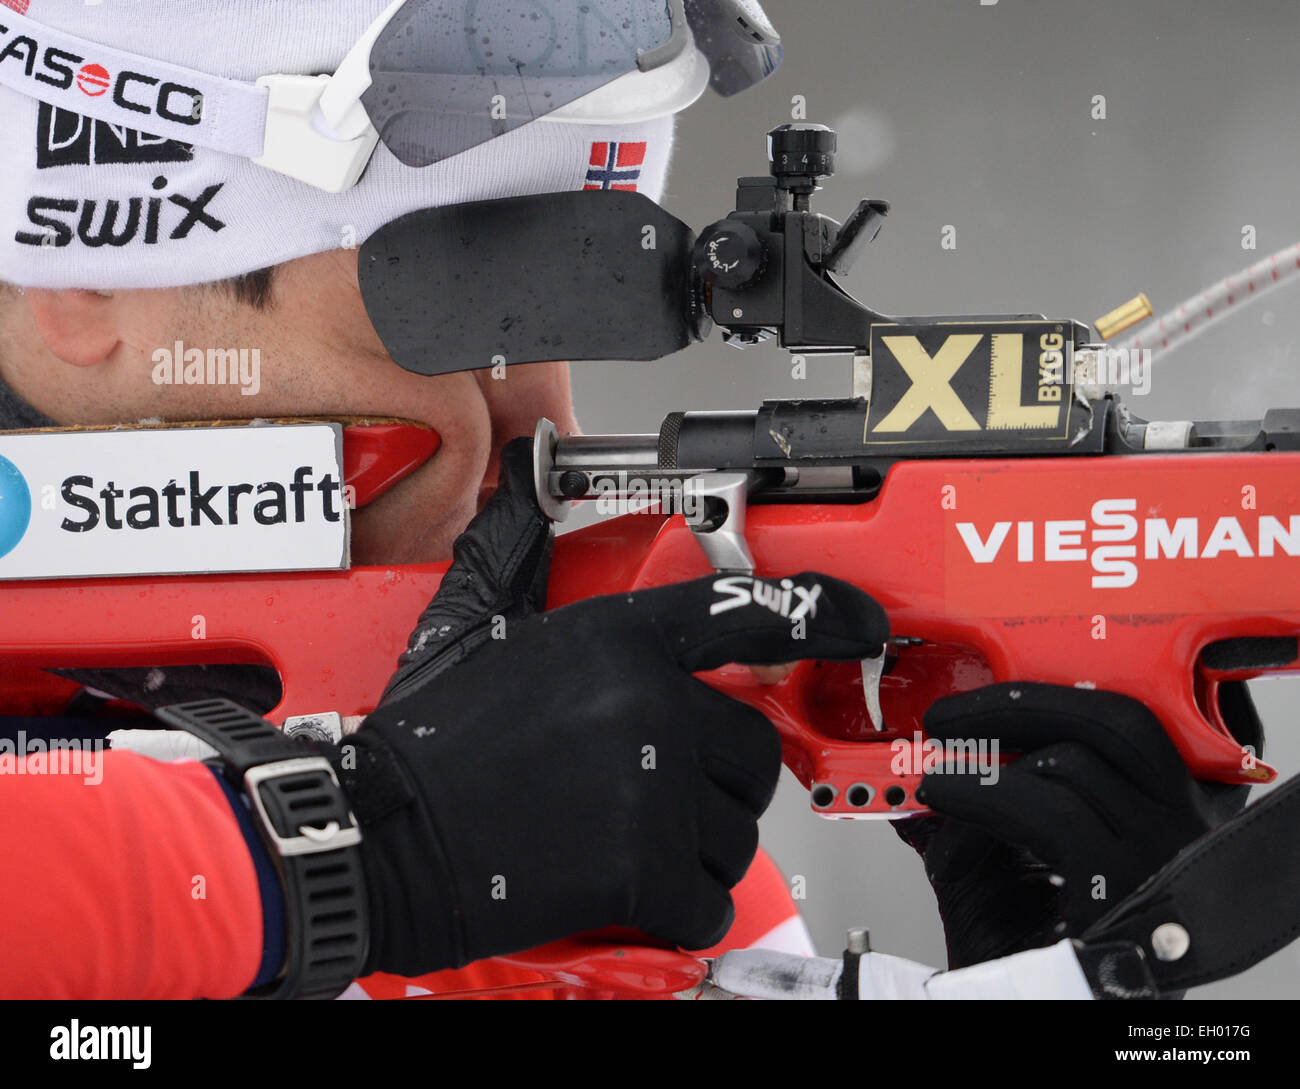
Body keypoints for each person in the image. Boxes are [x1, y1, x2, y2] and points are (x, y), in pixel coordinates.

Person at [0, 0, 1263, 999]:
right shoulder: (425, 813)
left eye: (551, 327)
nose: (526, 431)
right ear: (85, 288)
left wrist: (1083, 984)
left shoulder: (503, 790)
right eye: (437, 318)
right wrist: (339, 856)